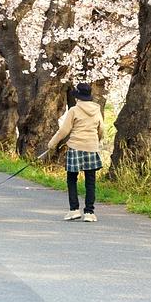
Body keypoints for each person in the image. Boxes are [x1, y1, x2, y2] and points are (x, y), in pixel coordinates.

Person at [47, 83, 105, 223]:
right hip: (91, 147)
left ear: (78, 97)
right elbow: (101, 129)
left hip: (76, 147)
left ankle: (74, 210)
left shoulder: (74, 110)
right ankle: (89, 212)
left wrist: (52, 143)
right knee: (90, 181)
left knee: (72, 179)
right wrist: (96, 140)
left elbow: (64, 131)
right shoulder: (97, 110)